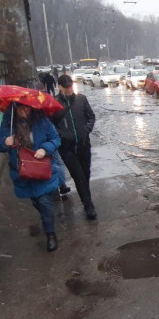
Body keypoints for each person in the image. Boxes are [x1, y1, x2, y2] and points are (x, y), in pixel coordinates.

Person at [0, 103, 65, 252]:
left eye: (26, 108)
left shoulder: (42, 121)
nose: (23, 111)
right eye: (20, 108)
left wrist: (45, 149)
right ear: (14, 108)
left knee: (44, 201)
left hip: (42, 170)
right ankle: (48, 219)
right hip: (23, 173)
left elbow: (55, 139)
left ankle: (50, 234)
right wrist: (5, 142)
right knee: (36, 202)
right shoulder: (9, 124)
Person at [52, 74, 98, 220]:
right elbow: (50, 125)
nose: (69, 89)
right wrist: (61, 135)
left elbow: (91, 116)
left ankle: (86, 198)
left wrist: (86, 129)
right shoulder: (54, 103)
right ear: (59, 87)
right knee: (78, 176)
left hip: (83, 144)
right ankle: (88, 204)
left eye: (70, 86)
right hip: (67, 148)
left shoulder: (81, 99)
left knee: (85, 174)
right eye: (66, 87)